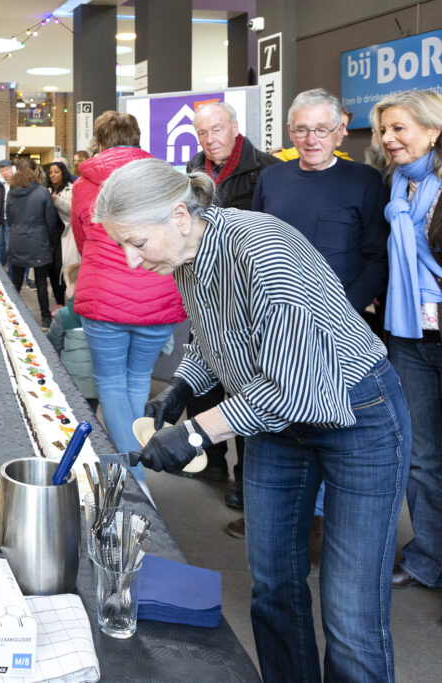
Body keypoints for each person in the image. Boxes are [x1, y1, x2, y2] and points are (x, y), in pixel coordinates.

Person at [98, 157, 408, 682]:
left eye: (136, 242)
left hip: (358, 416)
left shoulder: (261, 249)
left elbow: (292, 386)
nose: (131, 261)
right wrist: (184, 387)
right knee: (273, 586)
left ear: (178, 214)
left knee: (351, 612)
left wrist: (196, 432)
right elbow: (212, 333)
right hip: (274, 424)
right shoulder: (188, 254)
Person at [252, 88, 390, 553]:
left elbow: (376, 256)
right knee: (283, 422)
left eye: (322, 129)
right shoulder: (271, 180)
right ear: (290, 132)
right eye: (303, 129)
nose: (312, 139)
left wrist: (343, 312)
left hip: (342, 332)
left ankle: (325, 521)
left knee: (337, 424)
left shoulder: (365, 182)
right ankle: (296, 515)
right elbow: (250, 249)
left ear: (340, 131)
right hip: (275, 330)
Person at [71, 111, 185, 489]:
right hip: (159, 291)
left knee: (110, 383)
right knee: (138, 381)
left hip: (104, 295)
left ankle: (133, 474)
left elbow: (81, 241)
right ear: (137, 138)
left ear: (99, 142)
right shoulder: (163, 180)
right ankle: (135, 459)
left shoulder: (85, 184)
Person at [183, 101, 279, 510]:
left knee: (245, 385)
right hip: (204, 290)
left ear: (236, 127)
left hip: (246, 296)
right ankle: (213, 461)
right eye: (203, 133)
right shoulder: (192, 170)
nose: (210, 139)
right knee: (203, 378)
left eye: (217, 130)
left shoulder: (267, 170)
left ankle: (244, 476)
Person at [371, 90, 442, 592]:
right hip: (409, 337)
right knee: (423, 457)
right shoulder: (395, 185)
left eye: (400, 128)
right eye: (384, 130)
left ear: (434, 130)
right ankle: (429, 559)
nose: (389, 139)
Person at [5, 159, 60, 328]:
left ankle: (10, 316)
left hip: (17, 240)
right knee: (41, 282)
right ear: (35, 171)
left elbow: (10, 218)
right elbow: (51, 222)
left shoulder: (11, 192)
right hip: (38, 242)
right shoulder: (43, 192)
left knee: (16, 281)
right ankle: (45, 318)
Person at [46, 264, 98, 412]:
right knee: (90, 417)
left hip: (69, 381)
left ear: (74, 287)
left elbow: (52, 345)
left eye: (67, 285)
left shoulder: (64, 315)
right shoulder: (103, 316)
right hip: (95, 385)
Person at [47, 160, 74, 298]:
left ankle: (65, 297)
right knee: (50, 268)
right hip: (50, 235)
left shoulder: (71, 188)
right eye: (50, 172)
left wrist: (57, 200)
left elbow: (72, 210)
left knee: (61, 268)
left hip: (65, 233)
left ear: (63, 173)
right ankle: (58, 302)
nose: (53, 175)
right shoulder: (46, 190)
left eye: (56, 172)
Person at [0, 159, 14, 268]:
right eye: (2, 170)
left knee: (8, 247)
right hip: (2, 220)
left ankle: (11, 273)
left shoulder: (17, 183)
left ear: (11, 169)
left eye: (6, 169)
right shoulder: (0, 185)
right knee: (2, 245)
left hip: (12, 221)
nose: (5, 173)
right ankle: (1, 267)